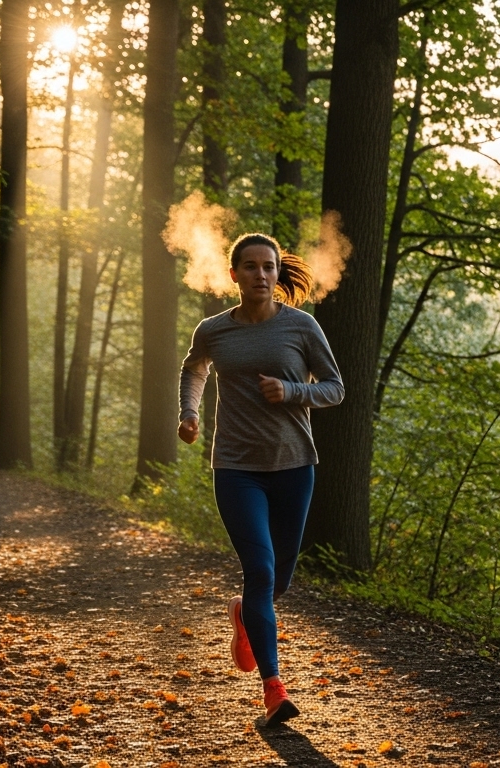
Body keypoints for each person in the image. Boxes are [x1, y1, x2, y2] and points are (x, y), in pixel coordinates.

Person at [177, 233, 344, 727]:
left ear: (277, 272)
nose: (260, 274)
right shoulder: (214, 330)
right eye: (249, 267)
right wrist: (189, 413)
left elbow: (335, 388)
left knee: (280, 579)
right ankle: (274, 689)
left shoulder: (302, 327)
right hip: (235, 468)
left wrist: (291, 390)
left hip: (295, 466)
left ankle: (245, 614)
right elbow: (194, 370)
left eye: (268, 266)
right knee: (261, 570)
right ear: (234, 275)